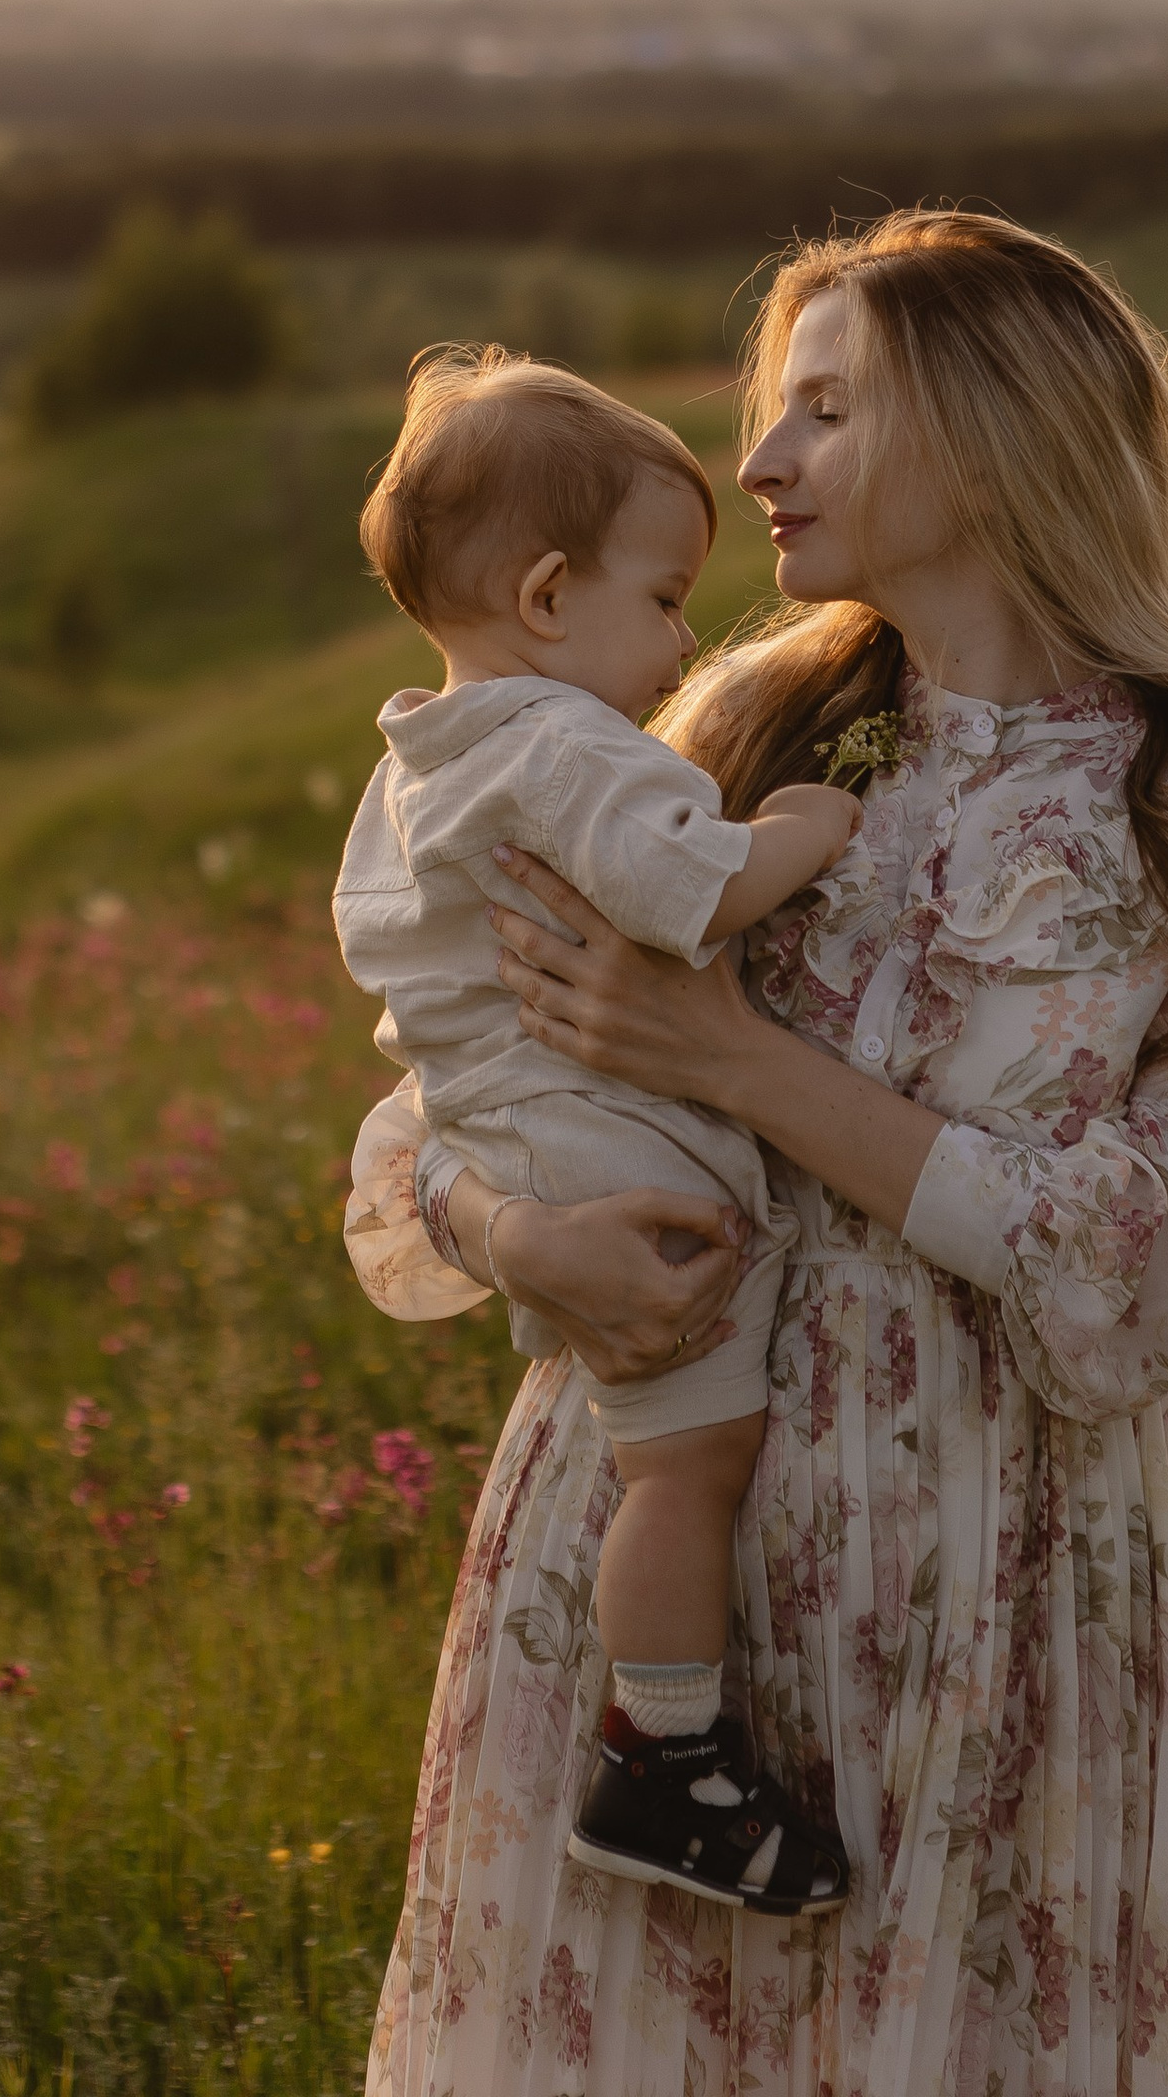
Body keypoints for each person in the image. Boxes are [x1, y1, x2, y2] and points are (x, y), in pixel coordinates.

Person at [342, 211, 1168, 2097]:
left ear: (995, 431)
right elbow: (435, 1104)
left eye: (825, 408)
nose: (757, 465)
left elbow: (1153, 1270)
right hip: (654, 1585)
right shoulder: (736, 733)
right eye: (773, 410)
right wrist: (515, 1234)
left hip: (1000, 1600)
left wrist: (736, 1060)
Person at [336, 352, 865, 1914]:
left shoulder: (416, 767)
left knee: (668, 1461)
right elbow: (687, 891)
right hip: (608, 1147)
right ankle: (664, 1757)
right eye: (665, 600)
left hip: (516, 1132)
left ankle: (665, 1749)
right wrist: (793, 833)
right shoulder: (564, 748)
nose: (686, 642)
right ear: (551, 597)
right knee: (688, 1467)